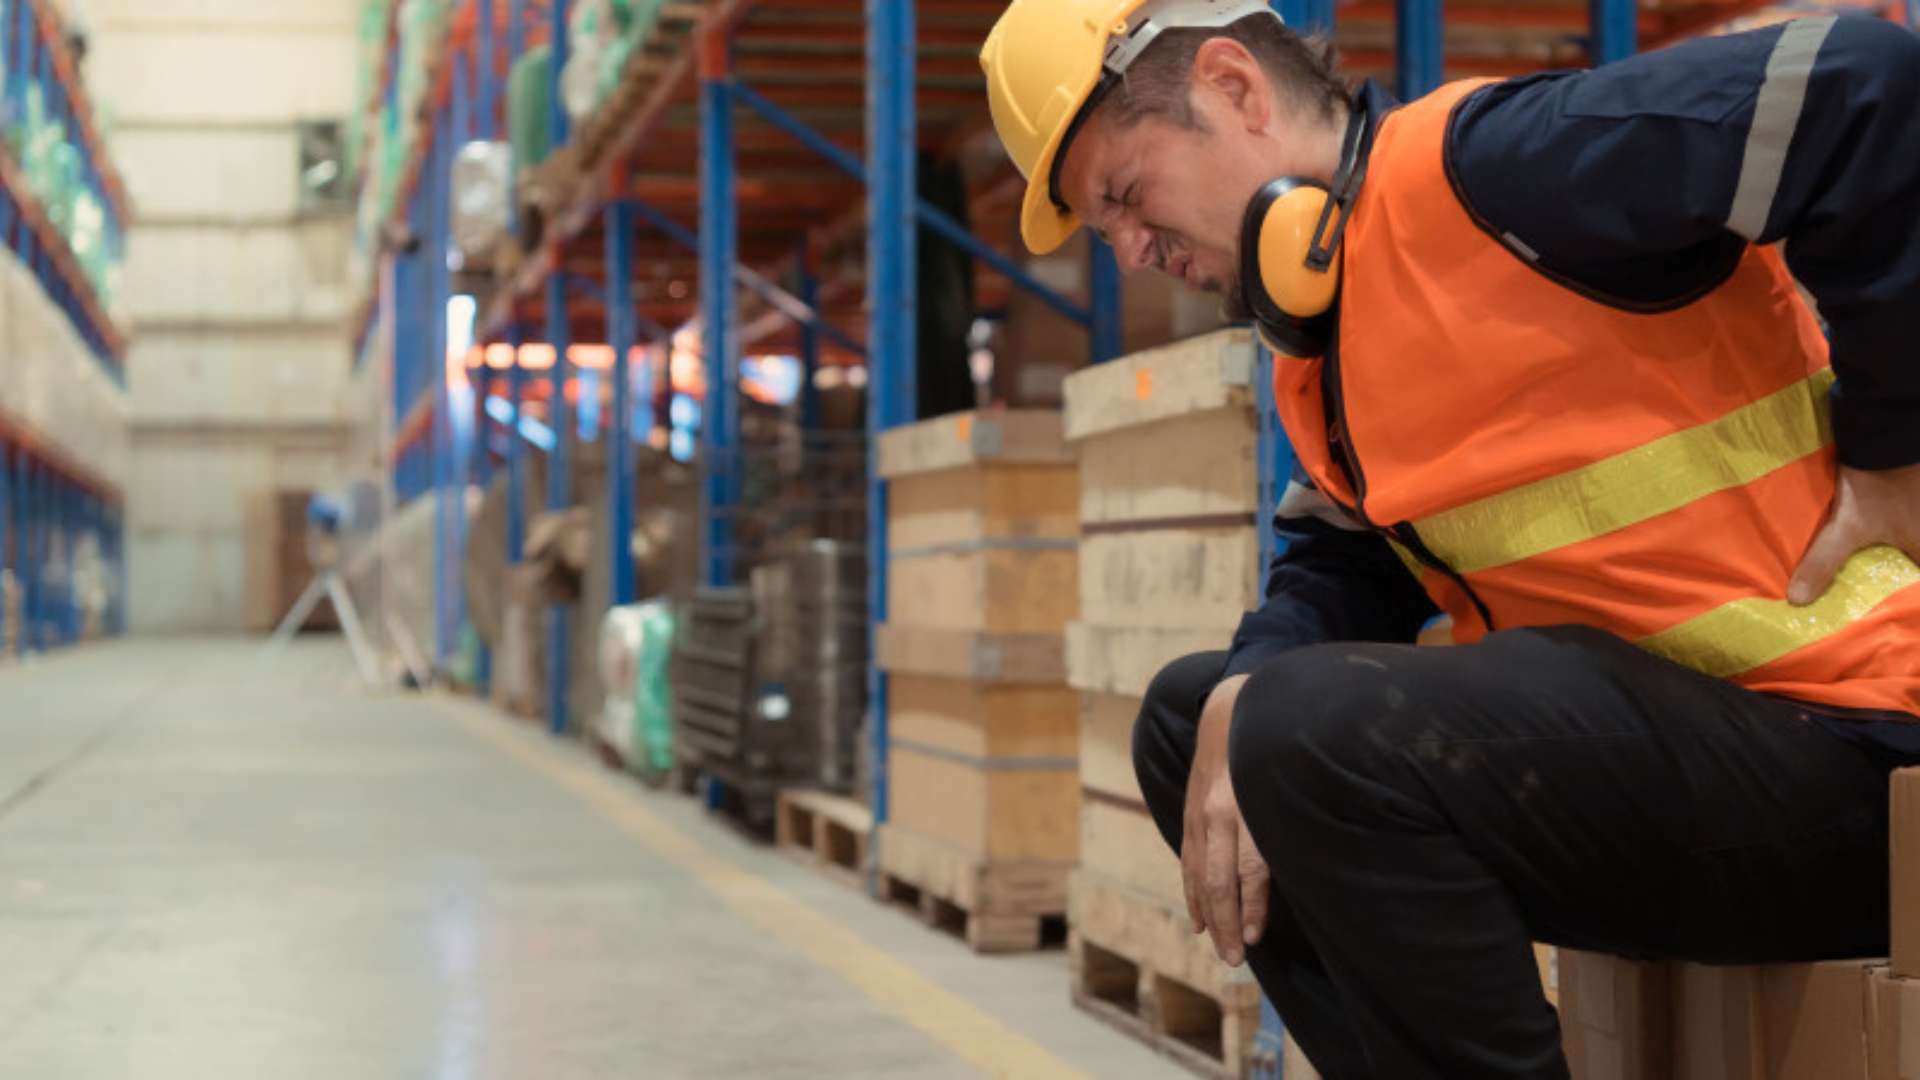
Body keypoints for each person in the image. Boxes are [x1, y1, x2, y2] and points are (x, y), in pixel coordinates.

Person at [981, 1, 1920, 1076]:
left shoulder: (1498, 170)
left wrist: (1895, 448)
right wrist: (1247, 684)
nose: (1133, 254)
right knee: (1196, 725)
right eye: (1106, 238)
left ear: (1234, 88)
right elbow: (1342, 560)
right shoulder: (1320, 335)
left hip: (1858, 763)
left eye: (1124, 198)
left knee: (1300, 728)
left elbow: (1870, 83)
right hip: (1676, 787)